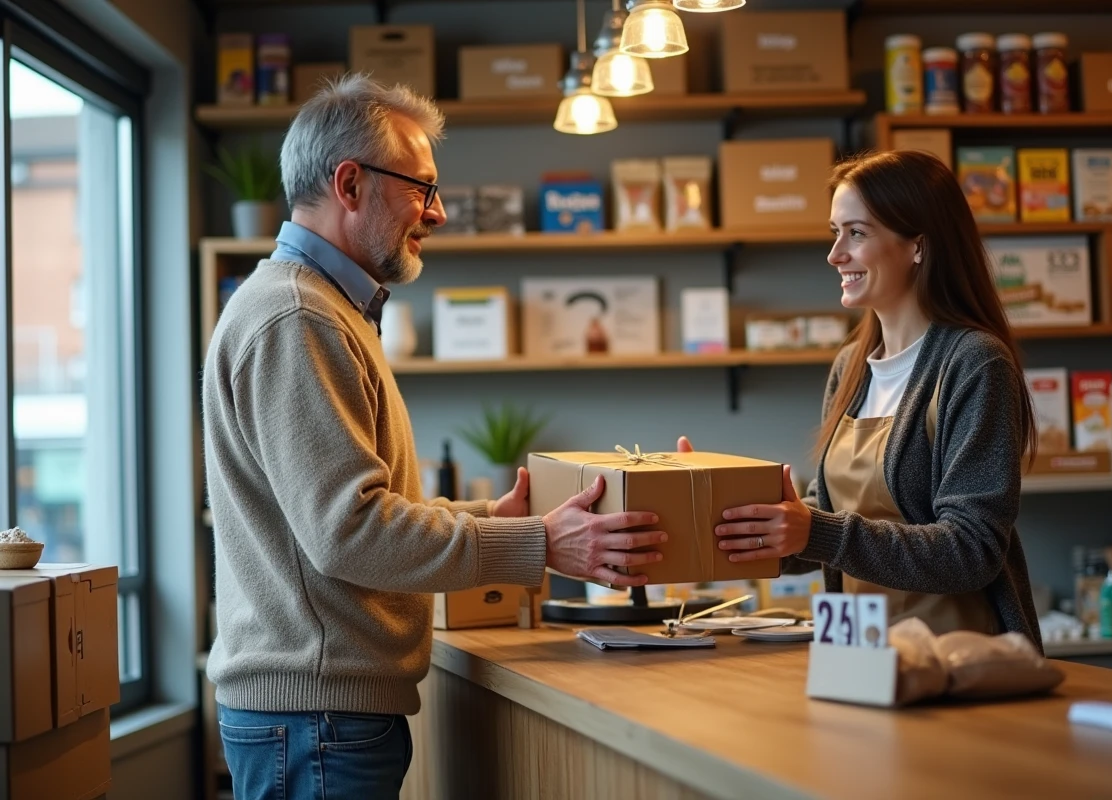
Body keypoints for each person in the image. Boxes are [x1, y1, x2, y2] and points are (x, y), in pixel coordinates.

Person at [202, 74, 666, 800]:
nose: (439, 212)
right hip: (317, 717)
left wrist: (492, 521)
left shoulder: (321, 308)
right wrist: (541, 544)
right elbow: (348, 532)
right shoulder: (299, 317)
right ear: (349, 184)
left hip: (316, 713)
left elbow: (349, 515)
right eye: (421, 187)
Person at [680, 149, 1043, 651]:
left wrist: (816, 531)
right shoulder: (852, 364)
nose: (835, 255)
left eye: (857, 232)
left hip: (956, 662)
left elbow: (972, 548)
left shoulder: (975, 364)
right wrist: (726, 510)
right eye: (835, 232)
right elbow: (825, 516)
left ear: (918, 244)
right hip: (857, 653)